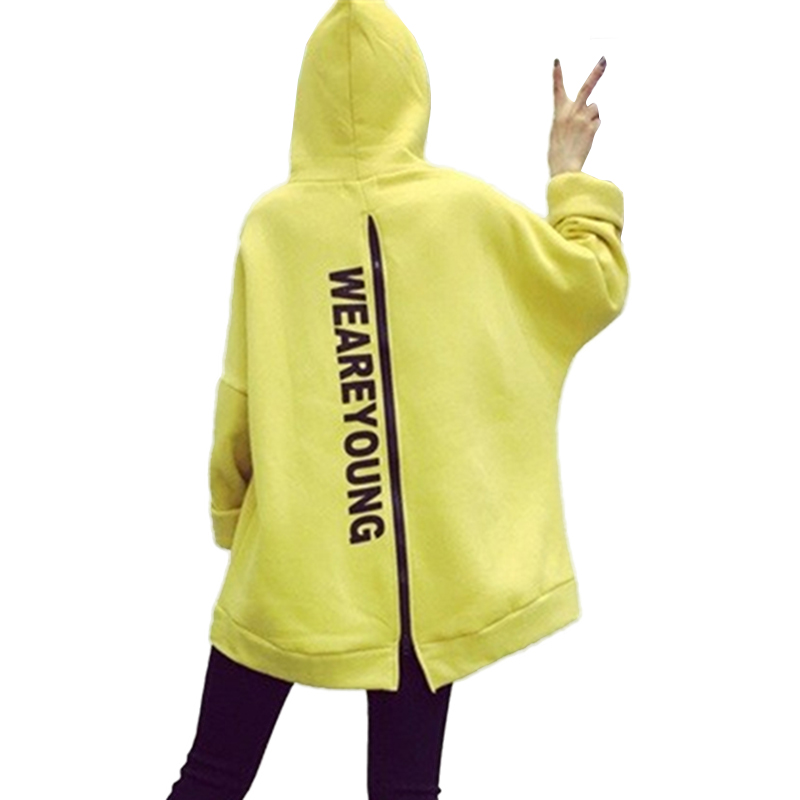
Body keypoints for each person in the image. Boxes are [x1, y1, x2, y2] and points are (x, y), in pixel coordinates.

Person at [166, 1, 626, 799]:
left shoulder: (272, 226)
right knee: (404, 793)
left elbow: (239, 392)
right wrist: (568, 176)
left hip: (291, 558)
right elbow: (589, 284)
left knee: (211, 777)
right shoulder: (464, 209)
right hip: (429, 579)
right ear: (414, 88)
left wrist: (232, 516)